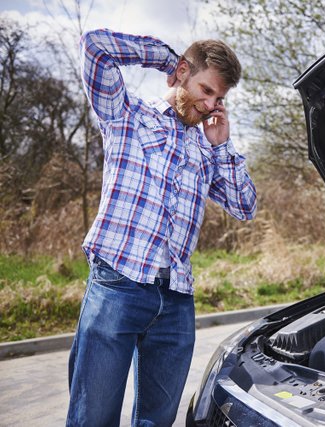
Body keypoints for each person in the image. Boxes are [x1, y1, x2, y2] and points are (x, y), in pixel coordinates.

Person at [66, 28, 257, 427]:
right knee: (93, 417)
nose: (210, 105)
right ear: (184, 72)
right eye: (205, 90)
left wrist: (222, 146)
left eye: (219, 98)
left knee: (158, 420)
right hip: (118, 284)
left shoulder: (206, 149)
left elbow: (245, 205)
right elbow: (95, 47)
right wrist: (166, 59)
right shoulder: (126, 114)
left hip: (176, 299)